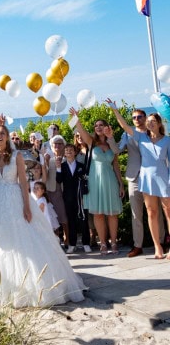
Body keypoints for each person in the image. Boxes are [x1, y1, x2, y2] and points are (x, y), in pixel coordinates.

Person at [0, 125, 86, 307]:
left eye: (2, 133)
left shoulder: (17, 156)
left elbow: (23, 182)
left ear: (7, 137)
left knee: (22, 236)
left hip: (14, 198)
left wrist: (27, 206)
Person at [107, 101, 170, 260]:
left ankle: (165, 244)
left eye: (151, 121)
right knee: (150, 212)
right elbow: (124, 128)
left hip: (163, 178)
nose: (149, 123)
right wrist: (115, 110)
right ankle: (151, 247)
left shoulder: (166, 139)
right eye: (148, 122)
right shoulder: (139, 137)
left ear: (158, 123)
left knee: (167, 213)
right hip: (143, 179)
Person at [69, 107, 124, 255]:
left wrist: (120, 183)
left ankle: (114, 243)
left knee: (112, 214)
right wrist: (75, 118)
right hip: (95, 181)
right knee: (98, 214)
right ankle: (103, 243)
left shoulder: (112, 144)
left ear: (107, 127)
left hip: (110, 181)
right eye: (96, 125)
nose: (98, 127)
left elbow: (116, 165)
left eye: (101, 125)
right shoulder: (91, 142)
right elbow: (80, 130)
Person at [56, 143, 91, 253]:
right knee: (71, 220)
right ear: (64, 154)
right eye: (66, 150)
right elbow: (59, 180)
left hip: (80, 196)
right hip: (68, 197)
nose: (69, 152)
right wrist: (58, 168)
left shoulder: (81, 165)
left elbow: (85, 180)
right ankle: (72, 244)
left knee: (83, 219)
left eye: (71, 150)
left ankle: (86, 243)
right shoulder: (62, 166)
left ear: (75, 152)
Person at [43, 135, 68, 246]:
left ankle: (67, 238)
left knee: (63, 217)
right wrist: (46, 162)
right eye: (55, 144)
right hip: (50, 191)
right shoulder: (48, 159)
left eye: (60, 143)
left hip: (63, 191)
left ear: (64, 145)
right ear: (52, 146)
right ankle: (55, 241)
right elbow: (44, 175)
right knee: (52, 217)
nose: (57, 146)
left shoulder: (67, 158)